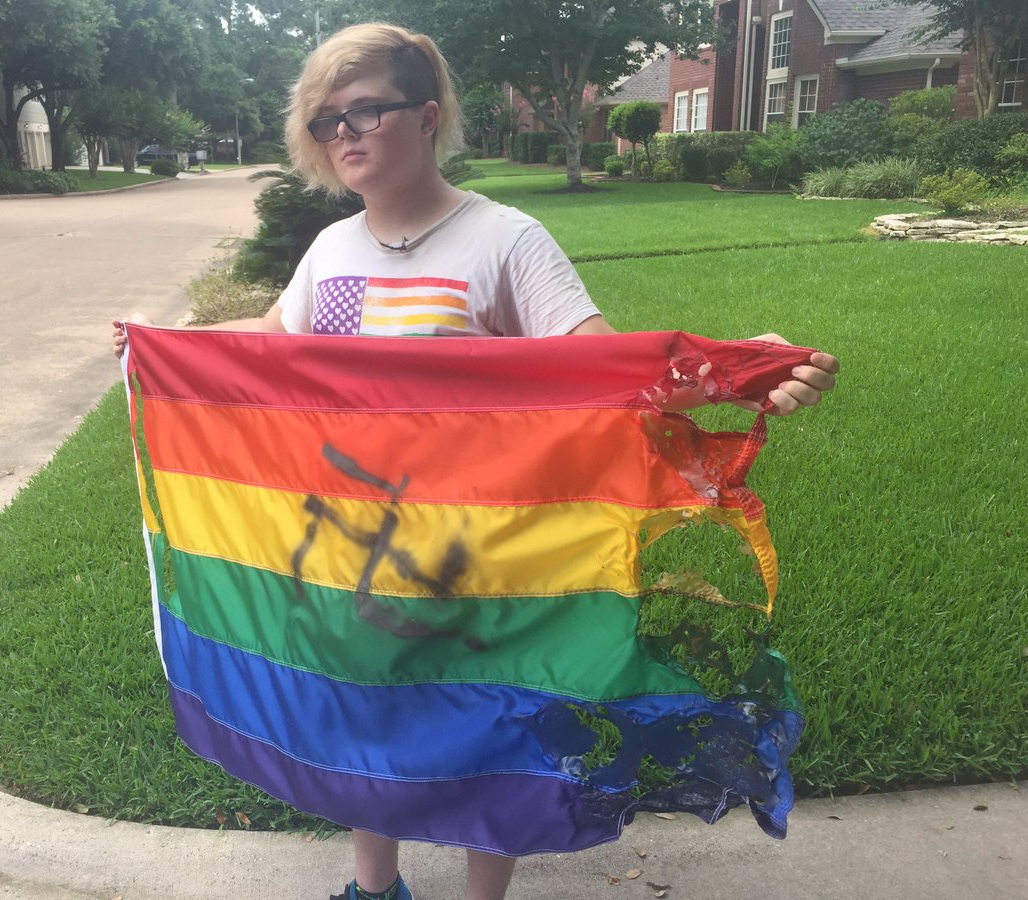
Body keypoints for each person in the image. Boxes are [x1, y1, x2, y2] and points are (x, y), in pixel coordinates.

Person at [114, 23, 839, 900]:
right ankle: (372, 887)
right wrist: (166, 346)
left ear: (425, 117)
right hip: (350, 542)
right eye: (326, 121)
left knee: (484, 725)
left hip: (476, 557)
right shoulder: (331, 250)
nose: (344, 133)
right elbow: (274, 345)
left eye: (365, 111)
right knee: (362, 710)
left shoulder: (505, 240)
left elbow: (600, 373)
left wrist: (736, 371)